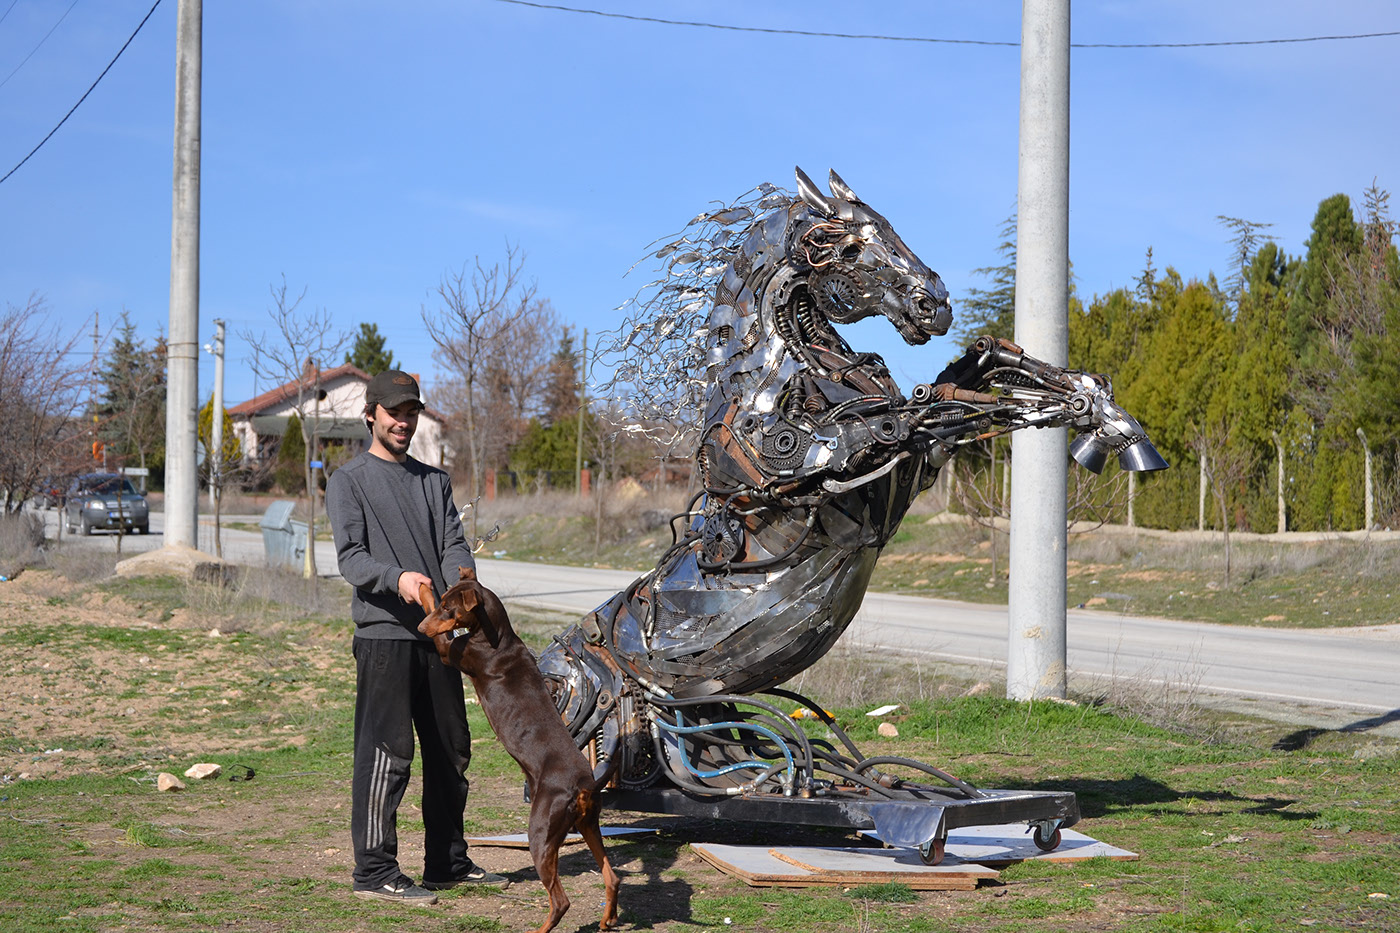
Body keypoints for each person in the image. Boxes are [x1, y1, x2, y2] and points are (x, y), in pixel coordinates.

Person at [326, 369, 506, 905]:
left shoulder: (434, 481)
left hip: (440, 640)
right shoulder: (349, 480)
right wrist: (398, 578)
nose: (403, 422)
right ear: (370, 416)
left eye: (411, 413)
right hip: (385, 637)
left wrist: (460, 584)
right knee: (388, 753)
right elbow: (351, 559)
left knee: (451, 750)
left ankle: (447, 863)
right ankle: (374, 871)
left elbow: (453, 542)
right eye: (393, 413)